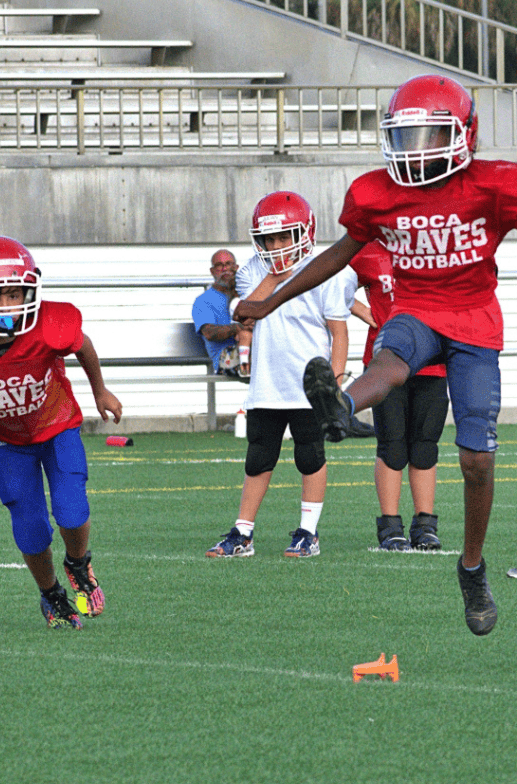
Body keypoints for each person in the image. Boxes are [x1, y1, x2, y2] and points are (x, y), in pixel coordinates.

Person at [235, 73, 512, 637]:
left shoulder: (495, 185)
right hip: (412, 309)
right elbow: (336, 255)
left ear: (465, 136)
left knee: (476, 461)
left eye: (430, 136)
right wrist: (270, 302)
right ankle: (339, 407)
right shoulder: (376, 192)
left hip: (474, 320)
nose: (415, 152)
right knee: (388, 363)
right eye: (405, 138)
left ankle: (472, 568)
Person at [0, 235, 123, 629]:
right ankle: (51, 594)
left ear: (29, 289)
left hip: (57, 427)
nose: (4, 306)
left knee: (71, 508)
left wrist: (100, 389)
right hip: (9, 442)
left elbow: (82, 345)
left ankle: (78, 563)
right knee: (30, 529)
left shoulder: (50, 325)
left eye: (13, 293)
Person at [206, 191, 351, 559]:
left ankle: (308, 532)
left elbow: (338, 331)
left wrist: (333, 380)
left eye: (285, 236)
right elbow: (246, 312)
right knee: (258, 457)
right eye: (269, 238)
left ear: (305, 233)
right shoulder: (255, 269)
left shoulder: (325, 270)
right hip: (268, 382)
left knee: (310, 456)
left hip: (308, 384)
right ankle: (243, 532)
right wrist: (276, 271)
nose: (276, 244)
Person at [346, 241, 449, 551]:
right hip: (386, 359)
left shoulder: (438, 245)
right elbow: (334, 287)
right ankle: (391, 526)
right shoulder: (369, 251)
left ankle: (425, 525)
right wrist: (366, 312)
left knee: (425, 445)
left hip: (432, 362)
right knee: (392, 444)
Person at [192, 249, 243, 375]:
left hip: (252, 351)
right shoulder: (203, 301)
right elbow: (209, 333)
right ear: (212, 271)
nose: (225, 269)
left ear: (236, 268)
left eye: (229, 264)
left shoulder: (246, 293)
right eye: (219, 265)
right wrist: (237, 328)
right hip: (226, 359)